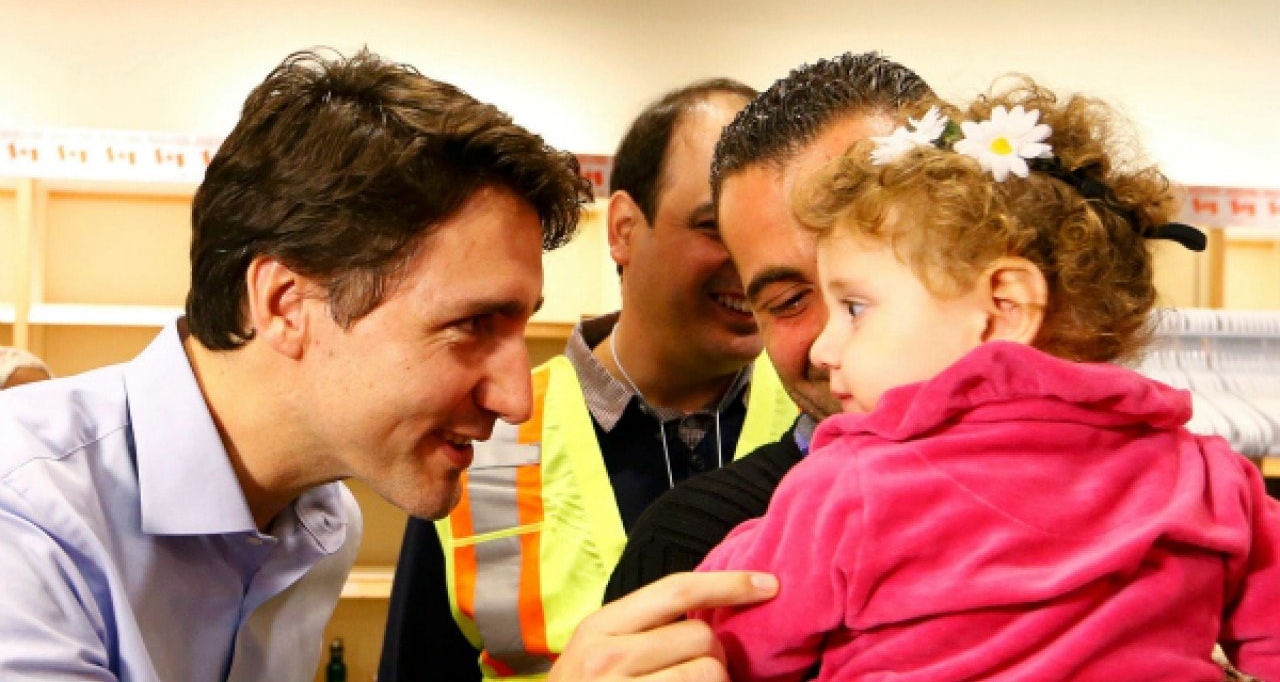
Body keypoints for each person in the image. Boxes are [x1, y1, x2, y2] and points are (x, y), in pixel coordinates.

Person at [0, 48, 777, 682]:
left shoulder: (317, 522)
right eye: (472, 324)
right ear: (284, 303)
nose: (517, 398)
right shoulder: (27, 520)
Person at [691, 78, 1280, 681]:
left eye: (856, 308)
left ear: (1004, 307)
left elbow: (729, 642)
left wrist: (744, 552)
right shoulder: (1210, 479)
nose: (825, 344)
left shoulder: (851, 487)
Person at [379, 79, 798, 681]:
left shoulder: (831, 422)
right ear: (625, 227)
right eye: (715, 227)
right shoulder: (480, 436)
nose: (758, 265)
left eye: (772, 235)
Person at [606, 52, 932, 599]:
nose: (834, 340)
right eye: (788, 300)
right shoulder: (695, 556)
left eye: (882, 271)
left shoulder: (1117, 479)